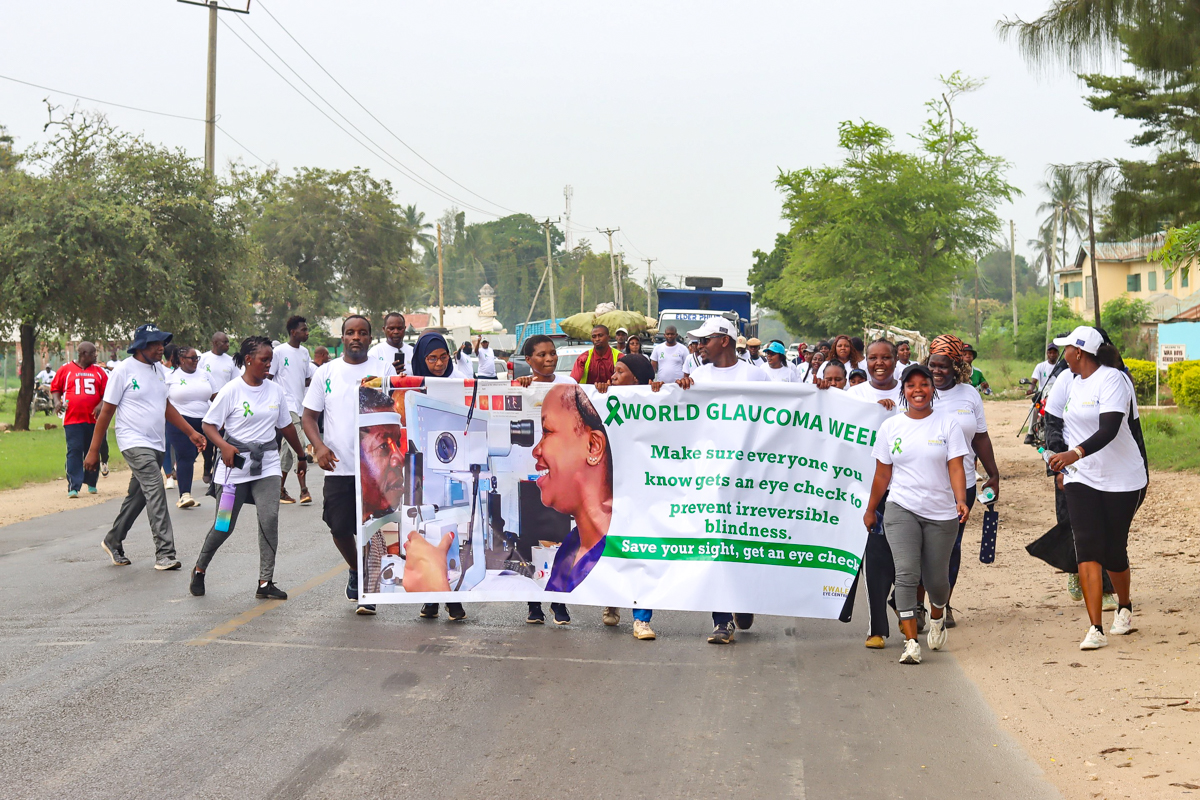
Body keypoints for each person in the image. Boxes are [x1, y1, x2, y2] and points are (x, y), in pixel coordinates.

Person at [1046, 326, 1147, 651]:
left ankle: (1125, 605)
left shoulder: (1113, 380)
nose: (1064, 356)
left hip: (1122, 478)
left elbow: (1110, 428)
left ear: (1080, 352)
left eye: (1067, 351)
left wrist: (1072, 452)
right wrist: (1059, 455)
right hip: (1082, 477)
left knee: (1114, 549)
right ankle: (1095, 627)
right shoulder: (1070, 382)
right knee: (1087, 546)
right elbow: (1055, 421)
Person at [863, 364, 970, 665]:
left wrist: (960, 500)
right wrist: (871, 509)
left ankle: (937, 614)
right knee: (906, 574)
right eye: (911, 386)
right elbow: (883, 474)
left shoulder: (948, 424)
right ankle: (911, 642)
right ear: (904, 391)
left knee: (936, 580)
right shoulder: (891, 427)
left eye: (924, 384)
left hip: (941, 512)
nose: (918, 390)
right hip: (901, 508)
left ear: (932, 390)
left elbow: (955, 466)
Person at [189, 336, 306, 601]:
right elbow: (208, 425)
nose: (269, 366)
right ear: (249, 359)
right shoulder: (231, 390)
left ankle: (265, 582)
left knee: (269, 519)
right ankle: (200, 569)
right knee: (224, 525)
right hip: (234, 467)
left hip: (267, 464)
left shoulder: (275, 390)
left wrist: (301, 454)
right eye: (264, 360)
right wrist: (223, 446)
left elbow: (285, 425)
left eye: (271, 361)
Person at [674, 317, 768, 644]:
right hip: (711, 475)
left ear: (724, 340)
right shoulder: (698, 375)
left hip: (747, 474)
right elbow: (682, 415)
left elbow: (777, 413)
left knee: (741, 541)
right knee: (716, 542)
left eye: (706, 340)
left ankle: (742, 599)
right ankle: (721, 619)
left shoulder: (754, 375)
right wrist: (675, 390)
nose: (700, 346)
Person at [85, 324, 207, 570]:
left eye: (162, 343)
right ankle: (165, 553)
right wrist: (93, 450)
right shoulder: (123, 371)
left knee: (139, 496)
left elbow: (166, 407)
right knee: (155, 489)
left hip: (156, 443)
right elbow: (107, 412)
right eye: (154, 344)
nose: (161, 348)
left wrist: (191, 432)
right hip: (133, 441)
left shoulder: (159, 371)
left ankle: (113, 539)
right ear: (140, 346)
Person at [302, 316, 396, 616]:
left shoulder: (382, 370)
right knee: (339, 525)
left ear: (371, 338)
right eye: (350, 333)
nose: (356, 337)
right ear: (342, 337)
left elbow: (398, 408)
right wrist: (319, 447)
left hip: (374, 468)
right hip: (338, 466)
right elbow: (308, 416)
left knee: (372, 529)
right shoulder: (325, 372)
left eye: (363, 333)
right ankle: (357, 570)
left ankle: (368, 591)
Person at [925, 335, 1001, 627]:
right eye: (932, 365)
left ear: (956, 365)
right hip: (924, 483)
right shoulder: (917, 390)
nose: (937, 371)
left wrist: (993, 473)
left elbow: (980, 436)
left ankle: (942, 604)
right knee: (923, 544)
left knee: (951, 545)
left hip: (963, 484)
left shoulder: (970, 395)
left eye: (943, 366)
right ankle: (917, 602)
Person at [841, 340, 902, 648]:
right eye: (873, 358)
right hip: (865, 487)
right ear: (864, 361)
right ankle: (876, 628)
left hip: (905, 488)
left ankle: (903, 603)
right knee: (875, 558)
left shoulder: (910, 392)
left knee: (902, 558)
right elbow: (835, 431)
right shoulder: (855, 395)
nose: (880, 363)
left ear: (896, 360)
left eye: (886, 358)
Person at [595, 353, 659, 640]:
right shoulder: (604, 399)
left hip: (646, 489)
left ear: (637, 378)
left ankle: (642, 619)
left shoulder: (657, 400)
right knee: (614, 547)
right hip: (613, 488)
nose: (613, 377)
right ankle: (612, 599)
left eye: (619, 372)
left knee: (644, 551)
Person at [514, 334, 575, 625]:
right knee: (528, 542)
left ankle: (558, 601)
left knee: (559, 541)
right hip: (528, 481)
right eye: (541, 355)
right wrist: (523, 386)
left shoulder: (570, 386)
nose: (549, 359)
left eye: (552, 353)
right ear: (528, 360)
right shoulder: (521, 386)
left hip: (559, 479)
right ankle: (533, 604)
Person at [410, 330, 471, 620]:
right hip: (423, 468)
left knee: (450, 533)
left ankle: (452, 599)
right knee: (426, 533)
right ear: (421, 360)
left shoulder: (459, 380)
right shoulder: (410, 385)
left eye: (443, 357)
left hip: (452, 463)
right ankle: (432, 599)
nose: (437, 364)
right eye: (431, 359)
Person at [534, 384, 613, 593]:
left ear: (593, 446)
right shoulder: (571, 546)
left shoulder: (623, 545)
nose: (536, 450)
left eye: (547, 432)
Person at [51, 342, 108, 498]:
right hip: (72, 419)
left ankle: (91, 482)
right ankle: (74, 486)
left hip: (94, 420)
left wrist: (100, 404)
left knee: (92, 450)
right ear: (83, 354)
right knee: (74, 450)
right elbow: (55, 388)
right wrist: (57, 402)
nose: (96, 356)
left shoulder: (100, 372)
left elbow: (108, 394)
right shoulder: (66, 369)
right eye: (93, 353)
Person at [270, 315, 313, 505]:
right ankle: (304, 489)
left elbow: (306, 379)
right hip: (285, 405)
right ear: (293, 332)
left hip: (299, 404)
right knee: (300, 445)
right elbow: (269, 377)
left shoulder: (304, 353)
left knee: (287, 451)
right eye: (303, 330)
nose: (307, 333)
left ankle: (279, 489)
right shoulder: (279, 352)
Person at [166, 346, 214, 509]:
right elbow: (163, 402)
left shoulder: (205, 375)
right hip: (179, 421)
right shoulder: (171, 377)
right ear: (181, 360)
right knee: (186, 455)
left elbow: (215, 396)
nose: (195, 361)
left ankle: (215, 482)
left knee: (210, 453)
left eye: (197, 358)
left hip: (205, 421)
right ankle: (185, 495)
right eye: (191, 358)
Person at [198, 332, 236, 484]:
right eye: (224, 342)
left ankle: (216, 469)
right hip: (208, 407)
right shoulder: (204, 359)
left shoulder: (231, 361)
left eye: (228, 342)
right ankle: (207, 465)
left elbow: (235, 382)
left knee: (221, 440)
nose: (227, 345)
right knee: (209, 441)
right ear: (215, 343)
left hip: (226, 408)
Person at [367, 313, 414, 377]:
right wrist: (389, 372)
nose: (396, 332)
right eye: (391, 329)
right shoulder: (375, 353)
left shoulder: (413, 352)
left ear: (405, 329)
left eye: (399, 328)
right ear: (384, 329)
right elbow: (369, 379)